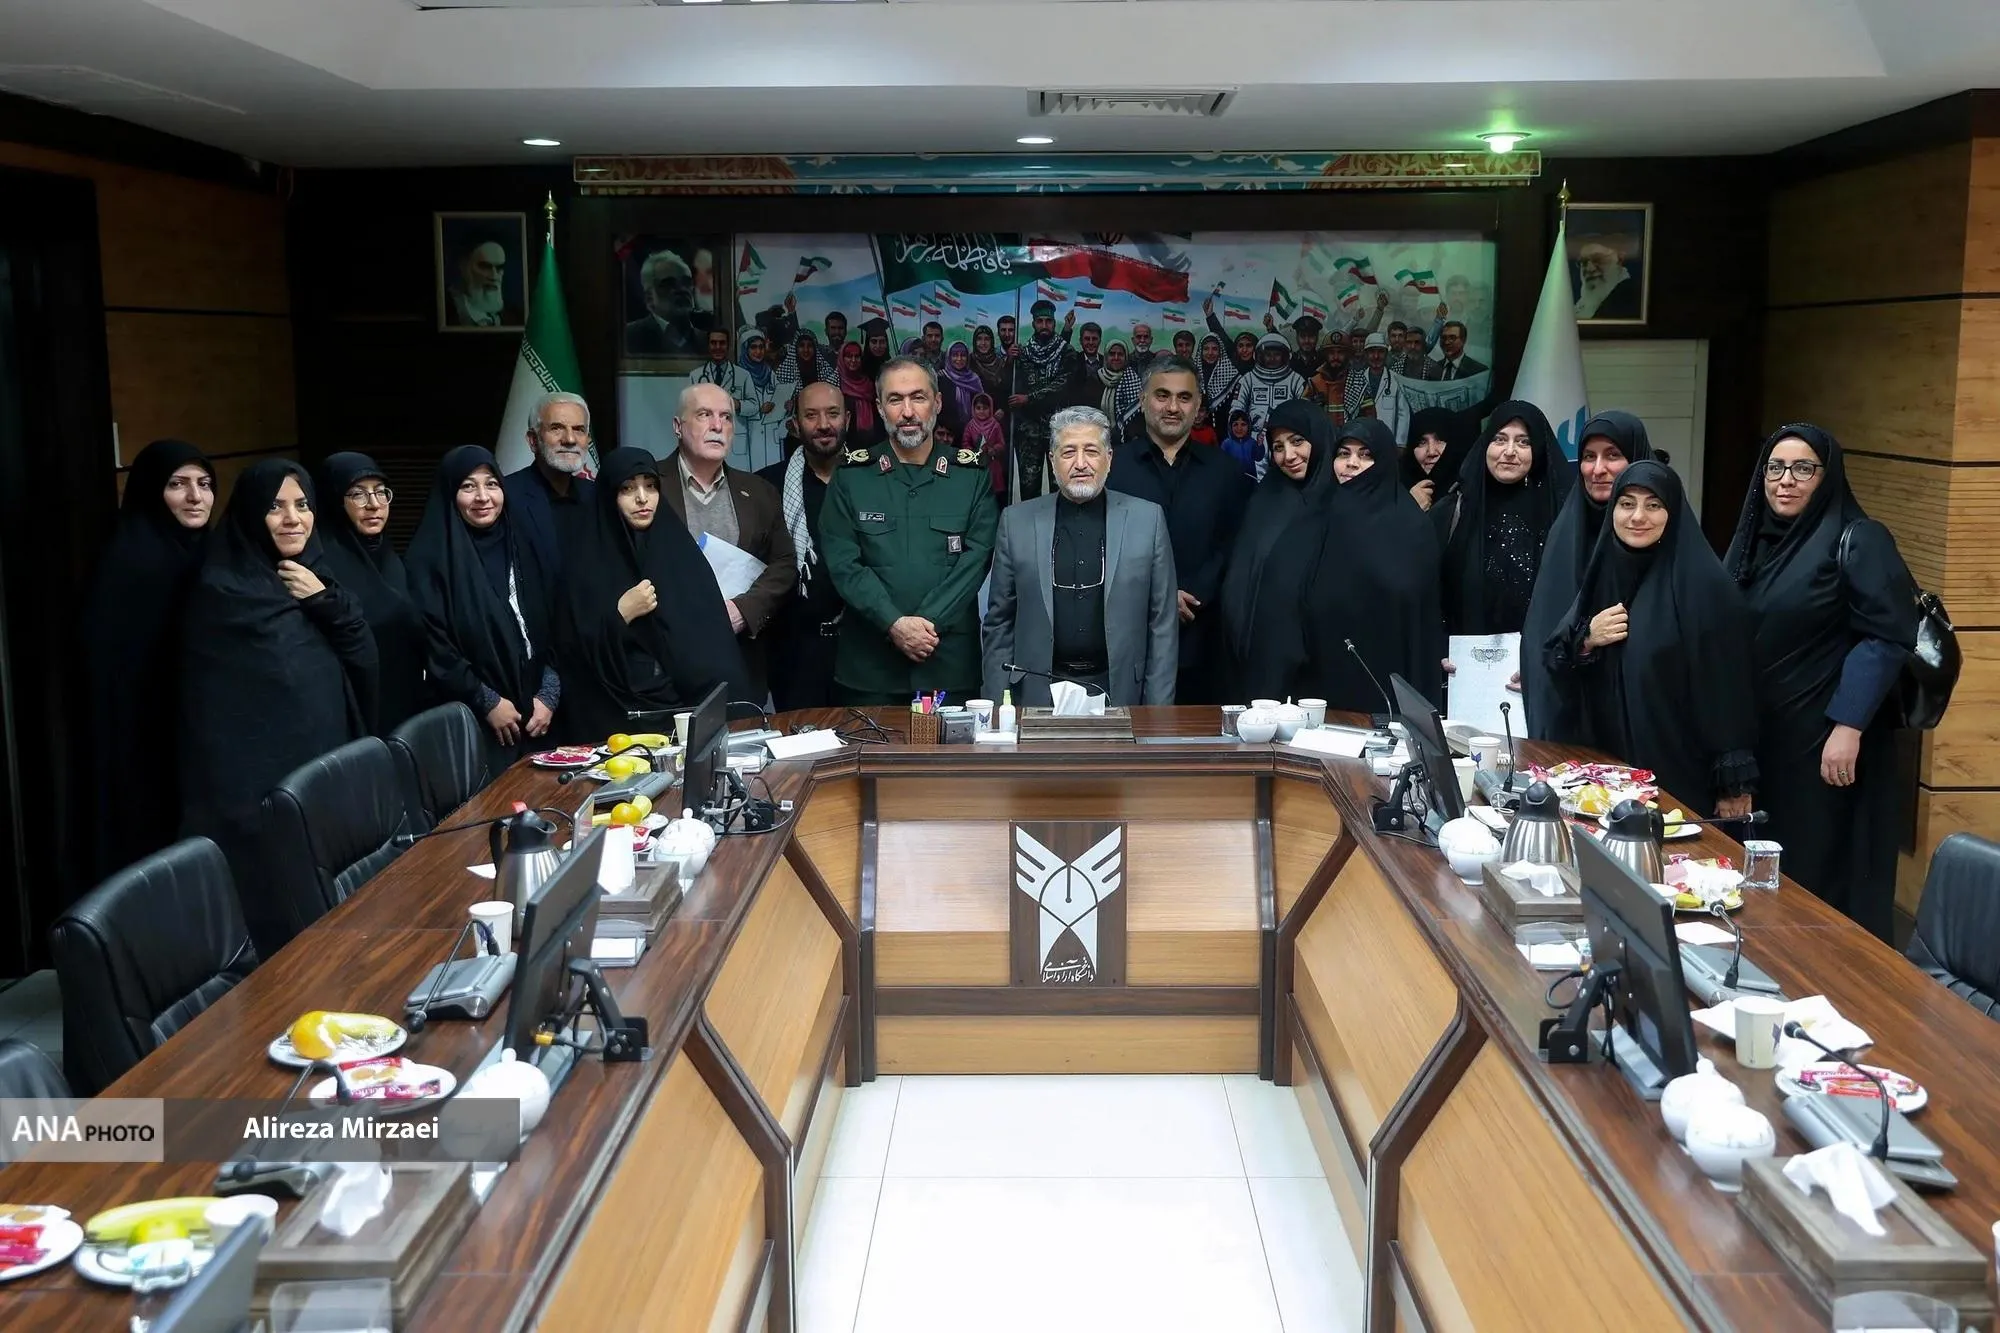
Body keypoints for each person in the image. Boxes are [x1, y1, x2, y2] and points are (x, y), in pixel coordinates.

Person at [1724, 424, 1918, 940]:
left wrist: (1848, 725)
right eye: (1775, 467)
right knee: (1764, 873)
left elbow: (1887, 636)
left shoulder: (1859, 538)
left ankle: (1827, 977)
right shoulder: (1754, 541)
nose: (1785, 480)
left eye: (1803, 469)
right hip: (1768, 742)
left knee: (1818, 874)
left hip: (1826, 747)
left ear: (1826, 476)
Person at [178, 460, 376, 953]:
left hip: (325, 778)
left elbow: (365, 657)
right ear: (250, 514)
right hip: (256, 798)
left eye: (302, 505)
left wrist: (325, 599)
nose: (293, 519)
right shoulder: (222, 592)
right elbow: (218, 716)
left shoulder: (316, 573)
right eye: (275, 507)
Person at [1546, 461, 1758, 817]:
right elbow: (1557, 658)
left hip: (1679, 774)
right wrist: (1588, 638)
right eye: (1627, 504)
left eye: (1654, 505)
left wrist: (1733, 785)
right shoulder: (1602, 573)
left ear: (1672, 513)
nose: (1638, 517)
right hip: (1606, 776)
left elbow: (1729, 691)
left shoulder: (1704, 586)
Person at [820, 358, 998, 703]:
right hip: (870, 668)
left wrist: (926, 625)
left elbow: (976, 561)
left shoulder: (971, 477)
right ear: (879, 407)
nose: (907, 411)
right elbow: (843, 563)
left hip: (947, 664)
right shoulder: (852, 477)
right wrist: (894, 623)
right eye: (895, 399)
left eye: (918, 397)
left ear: (938, 402)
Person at [1242, 418, 1444, 712]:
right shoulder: (1315, 518)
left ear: (1385, 461)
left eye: (1366, 455)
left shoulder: (1412, 527)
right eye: (1343, 453)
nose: (1351, 463)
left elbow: (1422, 619)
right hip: (1318, 684)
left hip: (1388, 686)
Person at [982, 407, 1178, 707]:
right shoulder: (1016, 522)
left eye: (1091, 451)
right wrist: (997, 708)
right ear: (1052, 460)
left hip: (1122, 691)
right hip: (1036, 691)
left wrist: (1158, 712)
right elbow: (999, 623)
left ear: (1109, 459)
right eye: (1069, 452)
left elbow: (1162, 625)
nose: (1081, 463)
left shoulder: (1147, 519)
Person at [82, 439, 214, 878]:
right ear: (151, 490)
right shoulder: (129, 563)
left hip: (197, 730)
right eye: (178, 484)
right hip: (146, 739)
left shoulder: (211, 552)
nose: (195, 497)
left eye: (205, 484)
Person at [564, 448, 747, 741]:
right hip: (616, 725)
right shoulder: (586, 562)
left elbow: (712, 646)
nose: (642, 498)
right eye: (627, 488)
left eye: (650, 486)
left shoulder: (679, 552)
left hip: (689, 715)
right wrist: (620, 615)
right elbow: (573, 651)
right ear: (609, 495)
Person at [407, 445, 561, 776]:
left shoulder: (520, 542)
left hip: (537, 718)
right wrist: (487, 701)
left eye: (491, 484)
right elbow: (435, 647)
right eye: (468, 486)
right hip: (473, 723)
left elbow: (553, 622)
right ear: (450, 493)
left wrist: (549, 691)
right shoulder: (430, 558)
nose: (482, 497)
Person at [1108, 356, 1252, 704]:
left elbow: (1236, 546)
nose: (1173, 407)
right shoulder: (1112, 469)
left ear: (1198, 404)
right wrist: (1158, 596)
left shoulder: (1226, 472)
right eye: (1162, 395)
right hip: (1126, 638)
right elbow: (1102, 544)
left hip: (1204, 637)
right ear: (1143, 400)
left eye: (1184, 397)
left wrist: (1194, 593)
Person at [1519, 412, 1656, 742]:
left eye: (1613, 455)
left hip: (1644, 724)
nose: (1598, 469)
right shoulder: (1566, 532)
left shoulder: (1659, 531)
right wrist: (1583, 638)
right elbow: (1544, 635)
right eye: (1589, 457)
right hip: (1572, 721)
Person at [662, 382, 798, 703]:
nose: (717, 426)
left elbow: (785, 564)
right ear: (678, 427)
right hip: (667, 660)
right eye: (704, 415)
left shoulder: (760, 491)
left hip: (739, 659)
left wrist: (743, 610)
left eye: (726, 417)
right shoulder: (648, 487)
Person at [1219, 401, 1334, 698]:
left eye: (1297, 441)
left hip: (1318, 665)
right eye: (1278, 447)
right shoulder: (1266, 497)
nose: (1288, 456)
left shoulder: (1339, 503)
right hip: (1259, 660)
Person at [315, 453, 430, 732]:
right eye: (358, 494)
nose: (374, 504)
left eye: (380, 492)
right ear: (334, 500)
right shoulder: (321, 566)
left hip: (406, 706)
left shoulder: (390, 557)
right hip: (354, 713)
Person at [1438, 402, 1574, 637]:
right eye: (1499, 439)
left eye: (1523, 442)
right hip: (1463, 654)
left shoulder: (1560, 513)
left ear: (1538, 450)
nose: (1510, 451)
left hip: (1540, 654)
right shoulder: (1452, 512)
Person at [757, 382, 853, 710]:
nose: (823, 424)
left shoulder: (872, 478)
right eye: (811, 415)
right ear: (795, 425)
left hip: (863, 651)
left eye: (832, 414)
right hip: (793, 653)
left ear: (848, 420)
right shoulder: (767, 485)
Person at [504, 391, 597, 576]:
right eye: (556, 428)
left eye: (579, 429)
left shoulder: (598, 496)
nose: (570, 439)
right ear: (533, 440)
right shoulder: (506, 496)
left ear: (588, 440)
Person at [1008, 300, 1080, 501]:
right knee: (1028, 488)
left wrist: (1029, 398)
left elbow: (1062, 386)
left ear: (1054, 323)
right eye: (1040, 321)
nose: (1044, 325)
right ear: (1033, 324)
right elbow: (1011, 384)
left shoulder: (1067, 351)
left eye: (1048, 321)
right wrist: (1009, 360)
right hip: (1029, 432)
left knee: (1060, 488)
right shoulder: (1023, 353)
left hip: (1058, 430)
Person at [625, 247, 710, 355]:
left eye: (686, 282)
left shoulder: (708, 341)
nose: (682, 290)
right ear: (649, 298)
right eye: (669, 284)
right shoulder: (627, 337)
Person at [1228, 333, 1307, 449]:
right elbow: (1236, 410)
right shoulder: (1248, 380)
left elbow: (1304, 411)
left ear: (1285, 356)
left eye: (1277, 354)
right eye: (1268, 355)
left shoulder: (1296, 380)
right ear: (1260, 356)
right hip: (1253, 438)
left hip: (1286, 438)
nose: (1272, 358)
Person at [730, 327, 786, 473]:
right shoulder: (737, 375)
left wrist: (786, 406)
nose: (758, 351)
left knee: (773, 477)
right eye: (753, 347)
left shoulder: (769, 373)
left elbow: (779, 398)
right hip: (749, 435)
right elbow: (734, 406)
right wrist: (759, 410)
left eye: (761, 347)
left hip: (771, 437)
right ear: (745, 349)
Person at [1342, 333, 1409, 444]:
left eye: (1380, 352)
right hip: (1362, 440)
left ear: (1386, 354)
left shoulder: (1397, 381)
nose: (1376, 356)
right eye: (1372, 352)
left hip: (1388, 440)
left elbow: (1403, 415)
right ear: (1366, 354)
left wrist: (1400, 444)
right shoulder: (1356, 381)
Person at [445, 238, 518, 329]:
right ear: (464, 267)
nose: (494, 277)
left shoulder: (515, 317)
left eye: (499, 268)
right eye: (485, 267)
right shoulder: (446, 312)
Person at [1574, 239, 1642, 321]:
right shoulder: (1579, 306)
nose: (1589, 269)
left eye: (1598, 259)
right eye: (1584, 262)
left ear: (1619, 260)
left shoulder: (1634, 301)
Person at [836, 341, 885, 449]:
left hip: (872, 443)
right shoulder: (835, 383)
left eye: (857, 356)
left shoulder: (868, 383)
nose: (853, 360)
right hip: (845, 444)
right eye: (849, 356)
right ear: (842, 358)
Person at [961, 392, 1008, 503]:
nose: (981, 411)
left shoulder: (995, 425)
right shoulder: (970, 425)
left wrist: (994, 449)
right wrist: (972, 452)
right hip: (975, 465)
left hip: (992, 465)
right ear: (973, 409)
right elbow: (965, 443)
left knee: (994, 496)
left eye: (985, 408)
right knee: (977, 495)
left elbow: (1001, 443)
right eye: (978, 408)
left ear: (991, 408)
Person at [939, 340, 985, 434]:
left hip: (972, 432)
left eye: (963, 355)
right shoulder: (941, 378)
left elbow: (982, 405)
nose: (959, 359)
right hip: (947, 434)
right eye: (955, 355)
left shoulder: (974, 379)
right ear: (949, 357)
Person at [1418, 322, 1487, 381]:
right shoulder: (1432, 369)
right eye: (1443, 338)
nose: (1447, 342)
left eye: (1452, 338)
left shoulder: (1479, 372)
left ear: (1463, 340)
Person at [1219, 410, 1261, 478]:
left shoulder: (1252, 442)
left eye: (1243, 424)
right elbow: (1221, 462)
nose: (1239, 428)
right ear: (1230, 427)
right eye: (1235, 424)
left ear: (1249, 426)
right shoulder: (1226, 443)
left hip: (1250, 478)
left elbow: (1258, 457)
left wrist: (1260, 445)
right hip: (1232, 478)